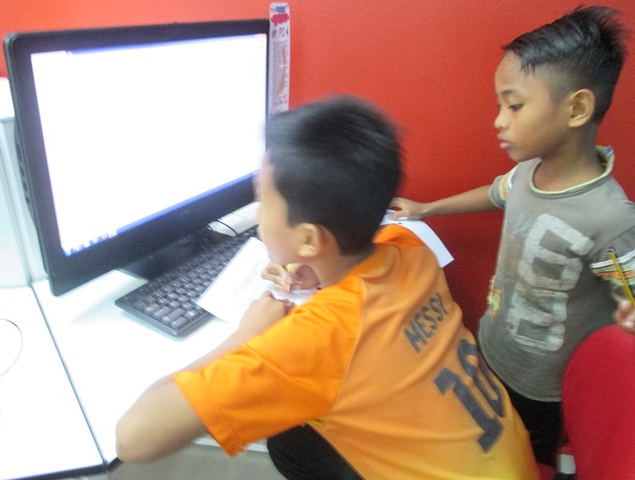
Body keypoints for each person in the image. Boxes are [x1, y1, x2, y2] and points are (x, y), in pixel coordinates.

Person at [116, 95, 539, 479]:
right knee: (293, 440)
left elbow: (133, 439)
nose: (258, 214)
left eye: (263, 201)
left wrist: (245, 337)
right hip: (510, 460)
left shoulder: (316, 343)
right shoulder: (410, 248)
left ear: (309, 240)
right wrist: (318, 272)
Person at [390, 5, 635, 466]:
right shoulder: (527, 173)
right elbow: (494, 193)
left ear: (577, 108)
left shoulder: (610, 217)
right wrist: (427, 209)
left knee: (523, 463)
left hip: (545, 390)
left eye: (515, 105)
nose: (499, 120)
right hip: (491, 348)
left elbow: (630, 296)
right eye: (500, 105)